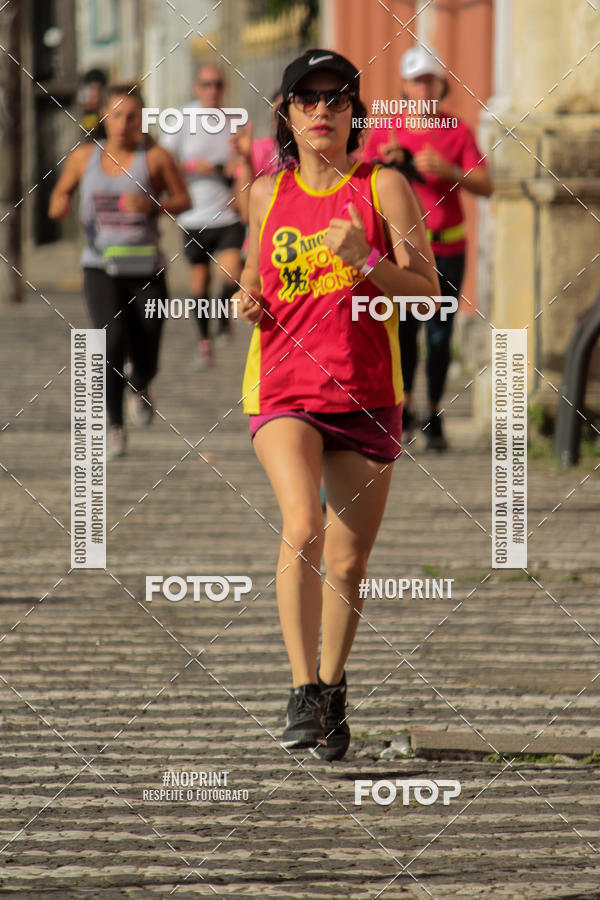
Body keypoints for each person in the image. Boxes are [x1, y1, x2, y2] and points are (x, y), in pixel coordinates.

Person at [233, 49, 439, 761]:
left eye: (337, 99)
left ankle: (331, 685)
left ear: (356, 113)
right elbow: (257, 280)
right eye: (307, 99)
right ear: (286, 113)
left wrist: (366, 260)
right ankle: (300, 691)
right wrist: (249, 300)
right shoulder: (266, 193)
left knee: (349, 564)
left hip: (367, 391)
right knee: (302, 524)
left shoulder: (384, 188)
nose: (323, 111)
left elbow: (427, 293)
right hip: (283, 385)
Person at [49, 83, 191, 458]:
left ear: (141, 120)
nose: (123, 124)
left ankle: (141, 383)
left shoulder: (155, 157)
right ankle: (115, 426)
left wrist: (152, 205)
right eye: (116, 116)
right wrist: (62, 204)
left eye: (131, 117)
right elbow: (58, 196)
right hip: (100, 265)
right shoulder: (84, 158)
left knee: (149, 338)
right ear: (104, 118)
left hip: (145, 264)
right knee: (110, 341)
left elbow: (183, 199)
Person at [363, 46, 493, 450]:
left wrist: (450, 172)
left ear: (441, 85)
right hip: (402, 255)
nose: (423, 88)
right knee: (402, 334)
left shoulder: (457, 131)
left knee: (440, 336)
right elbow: (361, 182)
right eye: (416, 80)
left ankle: (434, 413)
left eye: (430, 80)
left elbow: (486, 185)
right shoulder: (386, 132)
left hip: (448, 250)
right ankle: (403, 412)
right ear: (403, 86)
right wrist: (390, 167)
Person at [161, 63, 245, 367]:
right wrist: (189, 168)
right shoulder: (181, 119)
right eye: (206, 84)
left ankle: (222, 318)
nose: (212, 90)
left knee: (232, 272)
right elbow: (165, 163)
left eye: (217, 84)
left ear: (225, 87)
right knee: (200, 281)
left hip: (228, 213)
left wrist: (225, 172)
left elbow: (246, 160)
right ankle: (204, 341)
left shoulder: (235, 119)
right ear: (196, 87)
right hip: (194, 216)